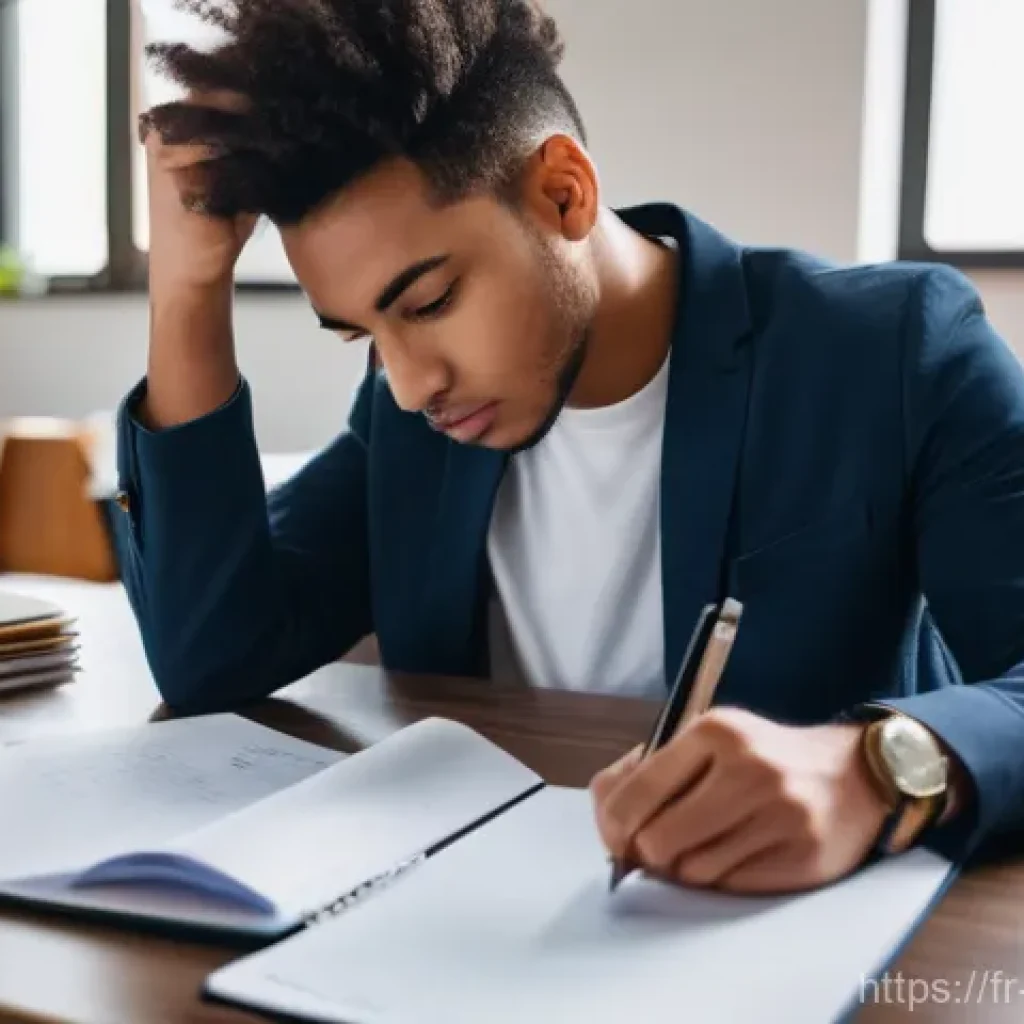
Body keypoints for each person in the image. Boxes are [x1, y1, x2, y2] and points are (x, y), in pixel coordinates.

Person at [114, 0, 1024, 896]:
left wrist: (876, 767)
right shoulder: (413, 415)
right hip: (466, 931)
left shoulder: (892, 350)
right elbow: (214, 655)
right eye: (361, 335)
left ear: (564, 192)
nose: (408, 383)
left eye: (428, 303)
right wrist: (188, 287)